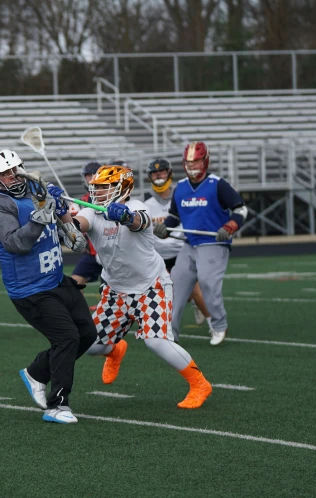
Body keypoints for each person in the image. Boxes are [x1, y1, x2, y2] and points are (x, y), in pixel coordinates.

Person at [54, 164, 212, 409]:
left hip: (151, 287)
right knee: (93, 345)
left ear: (123, 189)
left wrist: (125, 217)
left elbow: (139, 221)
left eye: (105, 188)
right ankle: (115, 350)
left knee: (156, 341)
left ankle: (200, 384)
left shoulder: (136, 206)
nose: (99, 192)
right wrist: (61, 212)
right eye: (97, 188)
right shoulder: (91, 212)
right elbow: (76, 228)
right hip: (115, 291)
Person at [0, 149, 95, 424]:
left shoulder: (38, 191)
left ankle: (36, 372)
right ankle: (57, 405)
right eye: (4, 174)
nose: (11, 177)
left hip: (58, 280)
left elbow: (77, 244)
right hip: (30, 289)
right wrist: (41, 214)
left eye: (14, 170)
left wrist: (62, 213)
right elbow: (16, 243)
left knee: (87, 335)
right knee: (67, 337)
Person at [153, 142, 247, 346]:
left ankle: (219, 325)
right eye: (188, 163)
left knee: (207, 282)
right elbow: (174, 216)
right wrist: (164, 229)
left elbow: (240, 210)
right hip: (189, 244)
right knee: (174, 286)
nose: (191, 166)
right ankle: (170, 333)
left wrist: (230, 227)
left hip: (213, 242)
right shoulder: (181, 188)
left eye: (195, 162)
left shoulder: (218, 184)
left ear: (205, 161)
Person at [142, 158, 211, 327]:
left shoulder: (181, 195)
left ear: (169, 173)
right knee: (160, 291)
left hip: (181, 251)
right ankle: (158, 325)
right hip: (157, 255)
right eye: (154, 173)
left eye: (162, 172)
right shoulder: (144, 201)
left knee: (193, 289)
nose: (158, 175)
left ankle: (214, 323)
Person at [70, 161, 103, 289]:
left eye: (95, 174)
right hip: (92, 254)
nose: (92, 178)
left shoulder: (111, 198)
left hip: (111, 251)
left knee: (111, 287)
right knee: (75, 282)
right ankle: (81, 310)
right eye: (89, 175)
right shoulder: (81, 201)